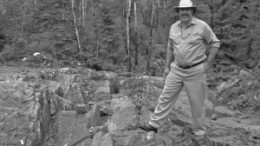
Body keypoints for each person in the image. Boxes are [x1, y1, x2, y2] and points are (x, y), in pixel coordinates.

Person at [139, 0, 220, 135]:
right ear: (178, 12)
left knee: (197, 103)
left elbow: (215, 43)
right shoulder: (174, 27)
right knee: (165, 96)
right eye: (182, 10)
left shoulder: (202, 26)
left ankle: (199, 131)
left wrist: (207, 64)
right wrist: (166, 67)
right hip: (176, 69)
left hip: (196, 71)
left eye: (187, 9)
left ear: (192, 11)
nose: (184, 12)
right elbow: (170, 47)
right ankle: (154, 124)